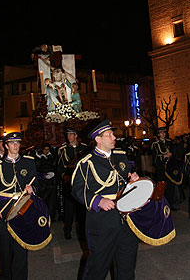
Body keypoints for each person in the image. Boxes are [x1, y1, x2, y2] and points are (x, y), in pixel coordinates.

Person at [71, 120, 140, 280]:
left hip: (127, 219)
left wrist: (133, 180)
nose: (113, 137)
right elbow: (77, 189)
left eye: (113, 134)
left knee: (127, 267)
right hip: (102, 222)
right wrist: (97, 201)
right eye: (109, 135)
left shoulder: (121, 156)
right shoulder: (86, 162)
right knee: (97, 267)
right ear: (98, 139)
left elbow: (125, 179)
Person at [0, 132, 39, 280]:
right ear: (6, 146)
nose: (15, 146)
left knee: (21, 250)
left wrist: (33, 189)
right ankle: (6, 276)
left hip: (22, 211)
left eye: (18, 143)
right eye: (12, 143)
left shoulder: (28, 162)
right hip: (3, 212)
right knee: (4, 250)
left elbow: (36, 183)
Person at [57, 128, 89, 240]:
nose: (69, 137)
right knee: (69, 208)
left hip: (82, 182)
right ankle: (67, 230)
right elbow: (60, 167)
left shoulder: (84, 148)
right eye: (67, 134)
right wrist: (64, 176)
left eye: (71, 134)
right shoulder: (63, 150)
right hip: (69, 182)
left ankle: (83, 231)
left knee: (82, 208)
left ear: (76, 135)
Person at [151, 127, 179, 210]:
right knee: (162, 187)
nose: (163, 134)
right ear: (158, 134)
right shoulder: (155, 145)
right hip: (161, 169)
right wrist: (164, 156)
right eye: (161, 133)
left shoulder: (170, 142)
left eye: (164, 133)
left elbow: (175, 153)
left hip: (170, 168)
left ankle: (170, 204)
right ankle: (161, 205)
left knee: (171, 187)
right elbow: (154, 158)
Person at [35, 143, 58, 219]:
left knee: (52, 200)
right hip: (42, 183)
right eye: (45, 149)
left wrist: (53, 173)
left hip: (51, 182)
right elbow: (37, 168)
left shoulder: (52, 156)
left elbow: (55, 166)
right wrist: (43, 175)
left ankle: (51, 216)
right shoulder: (37, 158)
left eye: (48, 149)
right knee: (42, 199)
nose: (47, 151)